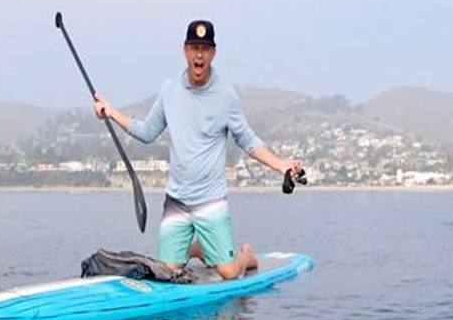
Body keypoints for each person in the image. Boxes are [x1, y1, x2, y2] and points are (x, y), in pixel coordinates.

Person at [93, 19, 303, 281]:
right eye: (194, 48)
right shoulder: (169, 91)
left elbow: (248, 141)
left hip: (210, 202)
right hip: (177, 200)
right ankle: (200, 247)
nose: (199, 54)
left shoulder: (226, 95)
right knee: (168, 274)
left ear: (213, 53)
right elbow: (146, 132)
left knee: (227, 272)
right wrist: (111, 113)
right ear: (185, 51)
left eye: (205, 48)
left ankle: (246, 255)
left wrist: (280, 164)